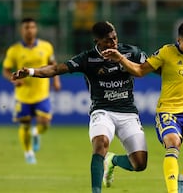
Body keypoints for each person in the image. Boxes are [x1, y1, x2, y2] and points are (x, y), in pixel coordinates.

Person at [11, 21, 148, 193]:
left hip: (128, 113)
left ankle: (111, 161)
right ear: (97, 42)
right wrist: (31, 72)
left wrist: (120, 58)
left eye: (114, 38)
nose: (113, 43)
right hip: (102, 111)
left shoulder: (129, 52)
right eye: (107, 40)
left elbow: (147, 68)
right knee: (100, 144)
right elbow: (56, 69)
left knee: (140, 164)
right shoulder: (87, 58)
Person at [102, 20, 183, 193]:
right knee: (173, 142)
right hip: (169, 113)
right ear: (179, 40)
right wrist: (120, 58)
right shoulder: (166, 53)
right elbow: (141, 71)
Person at [2, 17, 61, 164]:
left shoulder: (46, 46)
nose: (30, 30)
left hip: (42, 93)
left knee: (45, 122)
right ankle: (28, 153)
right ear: (21, 30)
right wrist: (13, 79)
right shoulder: (14, 50)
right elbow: (6, 70)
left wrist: (56, 80)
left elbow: (53, 64)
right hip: (23, 96)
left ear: (36, 29)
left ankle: (37, 133)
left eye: (32, 27)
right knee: (25, 125)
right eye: (26, 27)